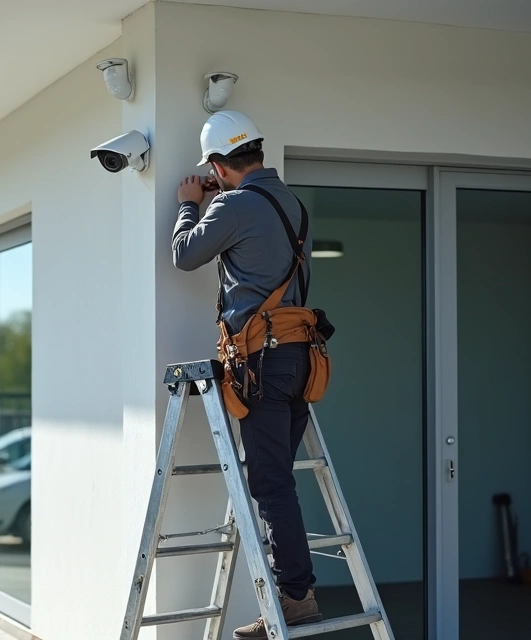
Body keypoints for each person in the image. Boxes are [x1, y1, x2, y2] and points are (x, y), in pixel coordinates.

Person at [171, 110, 320, 637]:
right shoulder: (291, 204)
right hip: (300, 357)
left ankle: (296, 596)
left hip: (261, 361)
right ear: (256, 152)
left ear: (218, 165)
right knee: (278, 480)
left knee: (270, 482)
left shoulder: (233, 205)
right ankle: (297, 590)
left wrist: (191, 206)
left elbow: (185, 255)